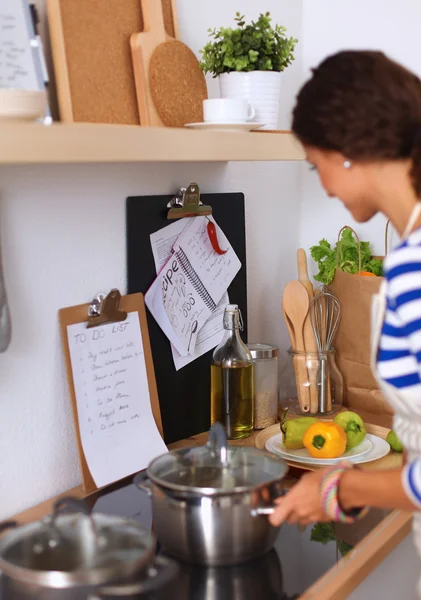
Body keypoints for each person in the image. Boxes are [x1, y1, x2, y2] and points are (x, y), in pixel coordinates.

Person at [269, 50, 421, 594]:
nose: (325, 185)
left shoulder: (413, 270)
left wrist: (339, 490)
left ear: (348, 150)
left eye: (317, 165)